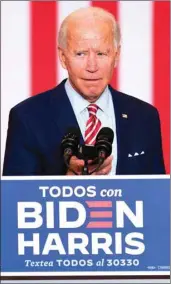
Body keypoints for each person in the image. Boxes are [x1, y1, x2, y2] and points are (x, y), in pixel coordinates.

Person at [3, 7, 165, 176]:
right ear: (63, 57)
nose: (92, 66)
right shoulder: (27, 117)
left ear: (116, 56)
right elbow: (15, 198)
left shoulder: (145, 117)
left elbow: (156, 196)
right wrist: (68, 184)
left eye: (101, 53)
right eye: (81, 54)